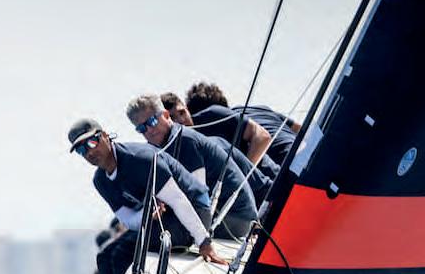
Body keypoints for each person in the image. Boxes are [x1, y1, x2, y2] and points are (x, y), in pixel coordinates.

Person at [68, 118, 224, 274]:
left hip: (193, 212)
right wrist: (146, 214)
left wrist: (204, 241)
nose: (89, 152)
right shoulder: (101, 181)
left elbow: (180, 201)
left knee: (122, 253)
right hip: (161, 219)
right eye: (80, 150)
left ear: (105, 135)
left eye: (92, 143)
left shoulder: (141, 159)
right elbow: (128, 219)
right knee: (106, 255)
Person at [126, 93, 257, 240]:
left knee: (149, 236)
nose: (149, 130)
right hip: (221, 214)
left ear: (166, 115)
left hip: (236, 219)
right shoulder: (164, 145)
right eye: (142, 128)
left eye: (152, 121)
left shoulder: (185, 141)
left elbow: (199, 198)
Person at [163, 91, 276, 199]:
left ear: (187, 108)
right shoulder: (172, 154)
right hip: (236, 200)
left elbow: (262, 136)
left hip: (268, 182)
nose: (181, 120)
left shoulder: (213, 116)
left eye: (182, 112)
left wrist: (244, 179)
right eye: (173, 118)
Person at [185, 81, 299, 166]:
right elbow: (300, 129)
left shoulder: (232, 127)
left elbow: (263, 137)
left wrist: (247, 177)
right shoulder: (258, 108)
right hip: (303, 154)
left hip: (288, 165)